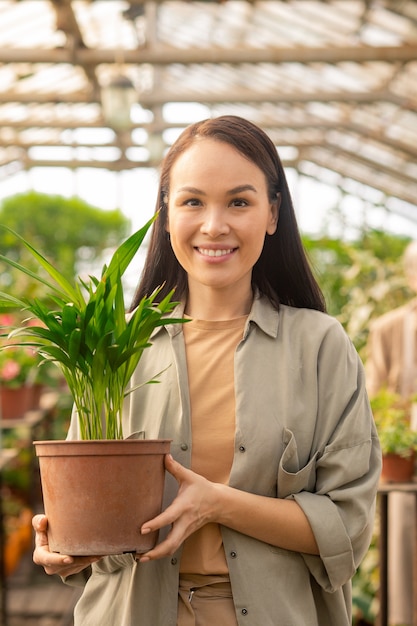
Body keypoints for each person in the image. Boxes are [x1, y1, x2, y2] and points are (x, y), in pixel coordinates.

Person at [32, 115, 381, 626]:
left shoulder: (321, 346)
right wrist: (65, 543)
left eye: (239, 201)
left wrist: (216, 504)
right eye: (192, 201)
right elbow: (93, 527)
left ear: (272, 213)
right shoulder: (115, 347)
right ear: (167, 216)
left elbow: (347, 526)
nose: (214, 225)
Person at [366, 240, 417, 626]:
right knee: (403, 556)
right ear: (409, 275)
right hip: (403, 464)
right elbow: (373, 398)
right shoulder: (389, 329)